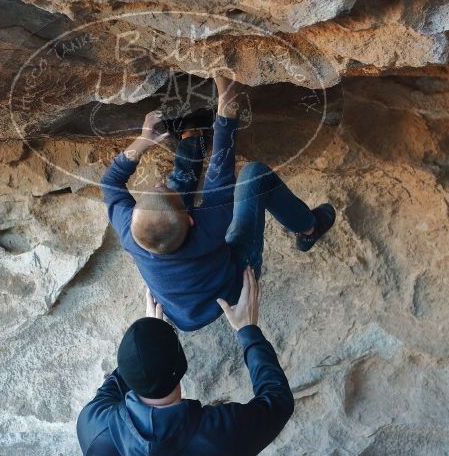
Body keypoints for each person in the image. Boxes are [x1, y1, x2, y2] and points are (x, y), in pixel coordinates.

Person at [101, 75, 336, 331]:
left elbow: (110, 183)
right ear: (193, 219)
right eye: (161, 189)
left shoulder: (128, 230)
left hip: (185, 317)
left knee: (173, 198)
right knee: (254, 175)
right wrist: (227, 104)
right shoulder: (211, 226)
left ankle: (193, 138)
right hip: (232, 288)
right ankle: (308, 229)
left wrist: (143, 141)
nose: (158, 185)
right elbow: (220, 171)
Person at [77, 267, 294, 456]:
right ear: (182, 365)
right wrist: (248, 331)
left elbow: (119, 380)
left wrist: (146, 345)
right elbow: (278, 402)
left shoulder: (93, 429)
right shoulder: (218, 436)